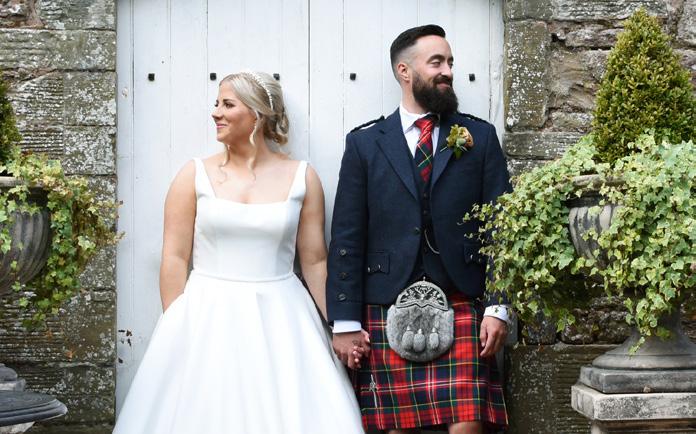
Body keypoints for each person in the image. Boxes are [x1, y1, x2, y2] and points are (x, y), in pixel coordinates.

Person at [113, 71, 364, 434]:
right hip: (206, 314)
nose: (216, 112)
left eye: (227, 104)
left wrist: (340, 324)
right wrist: (177, 327)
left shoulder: (302, 177)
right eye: (217, 103)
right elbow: (175, 258)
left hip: (283, 317)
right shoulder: (193, 174)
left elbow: (314, 261)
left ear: (258, 114)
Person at [327, 25, 511, 434]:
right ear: (404, 71)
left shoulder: (479, 137)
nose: (448, 71)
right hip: (385, 302)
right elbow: (347, 237)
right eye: (436, 62)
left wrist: (498, 307)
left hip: (462, 299)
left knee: (469, 423)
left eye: (450, 62)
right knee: (397, 427)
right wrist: (344, 321)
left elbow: (502, 229)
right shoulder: (365, 144)